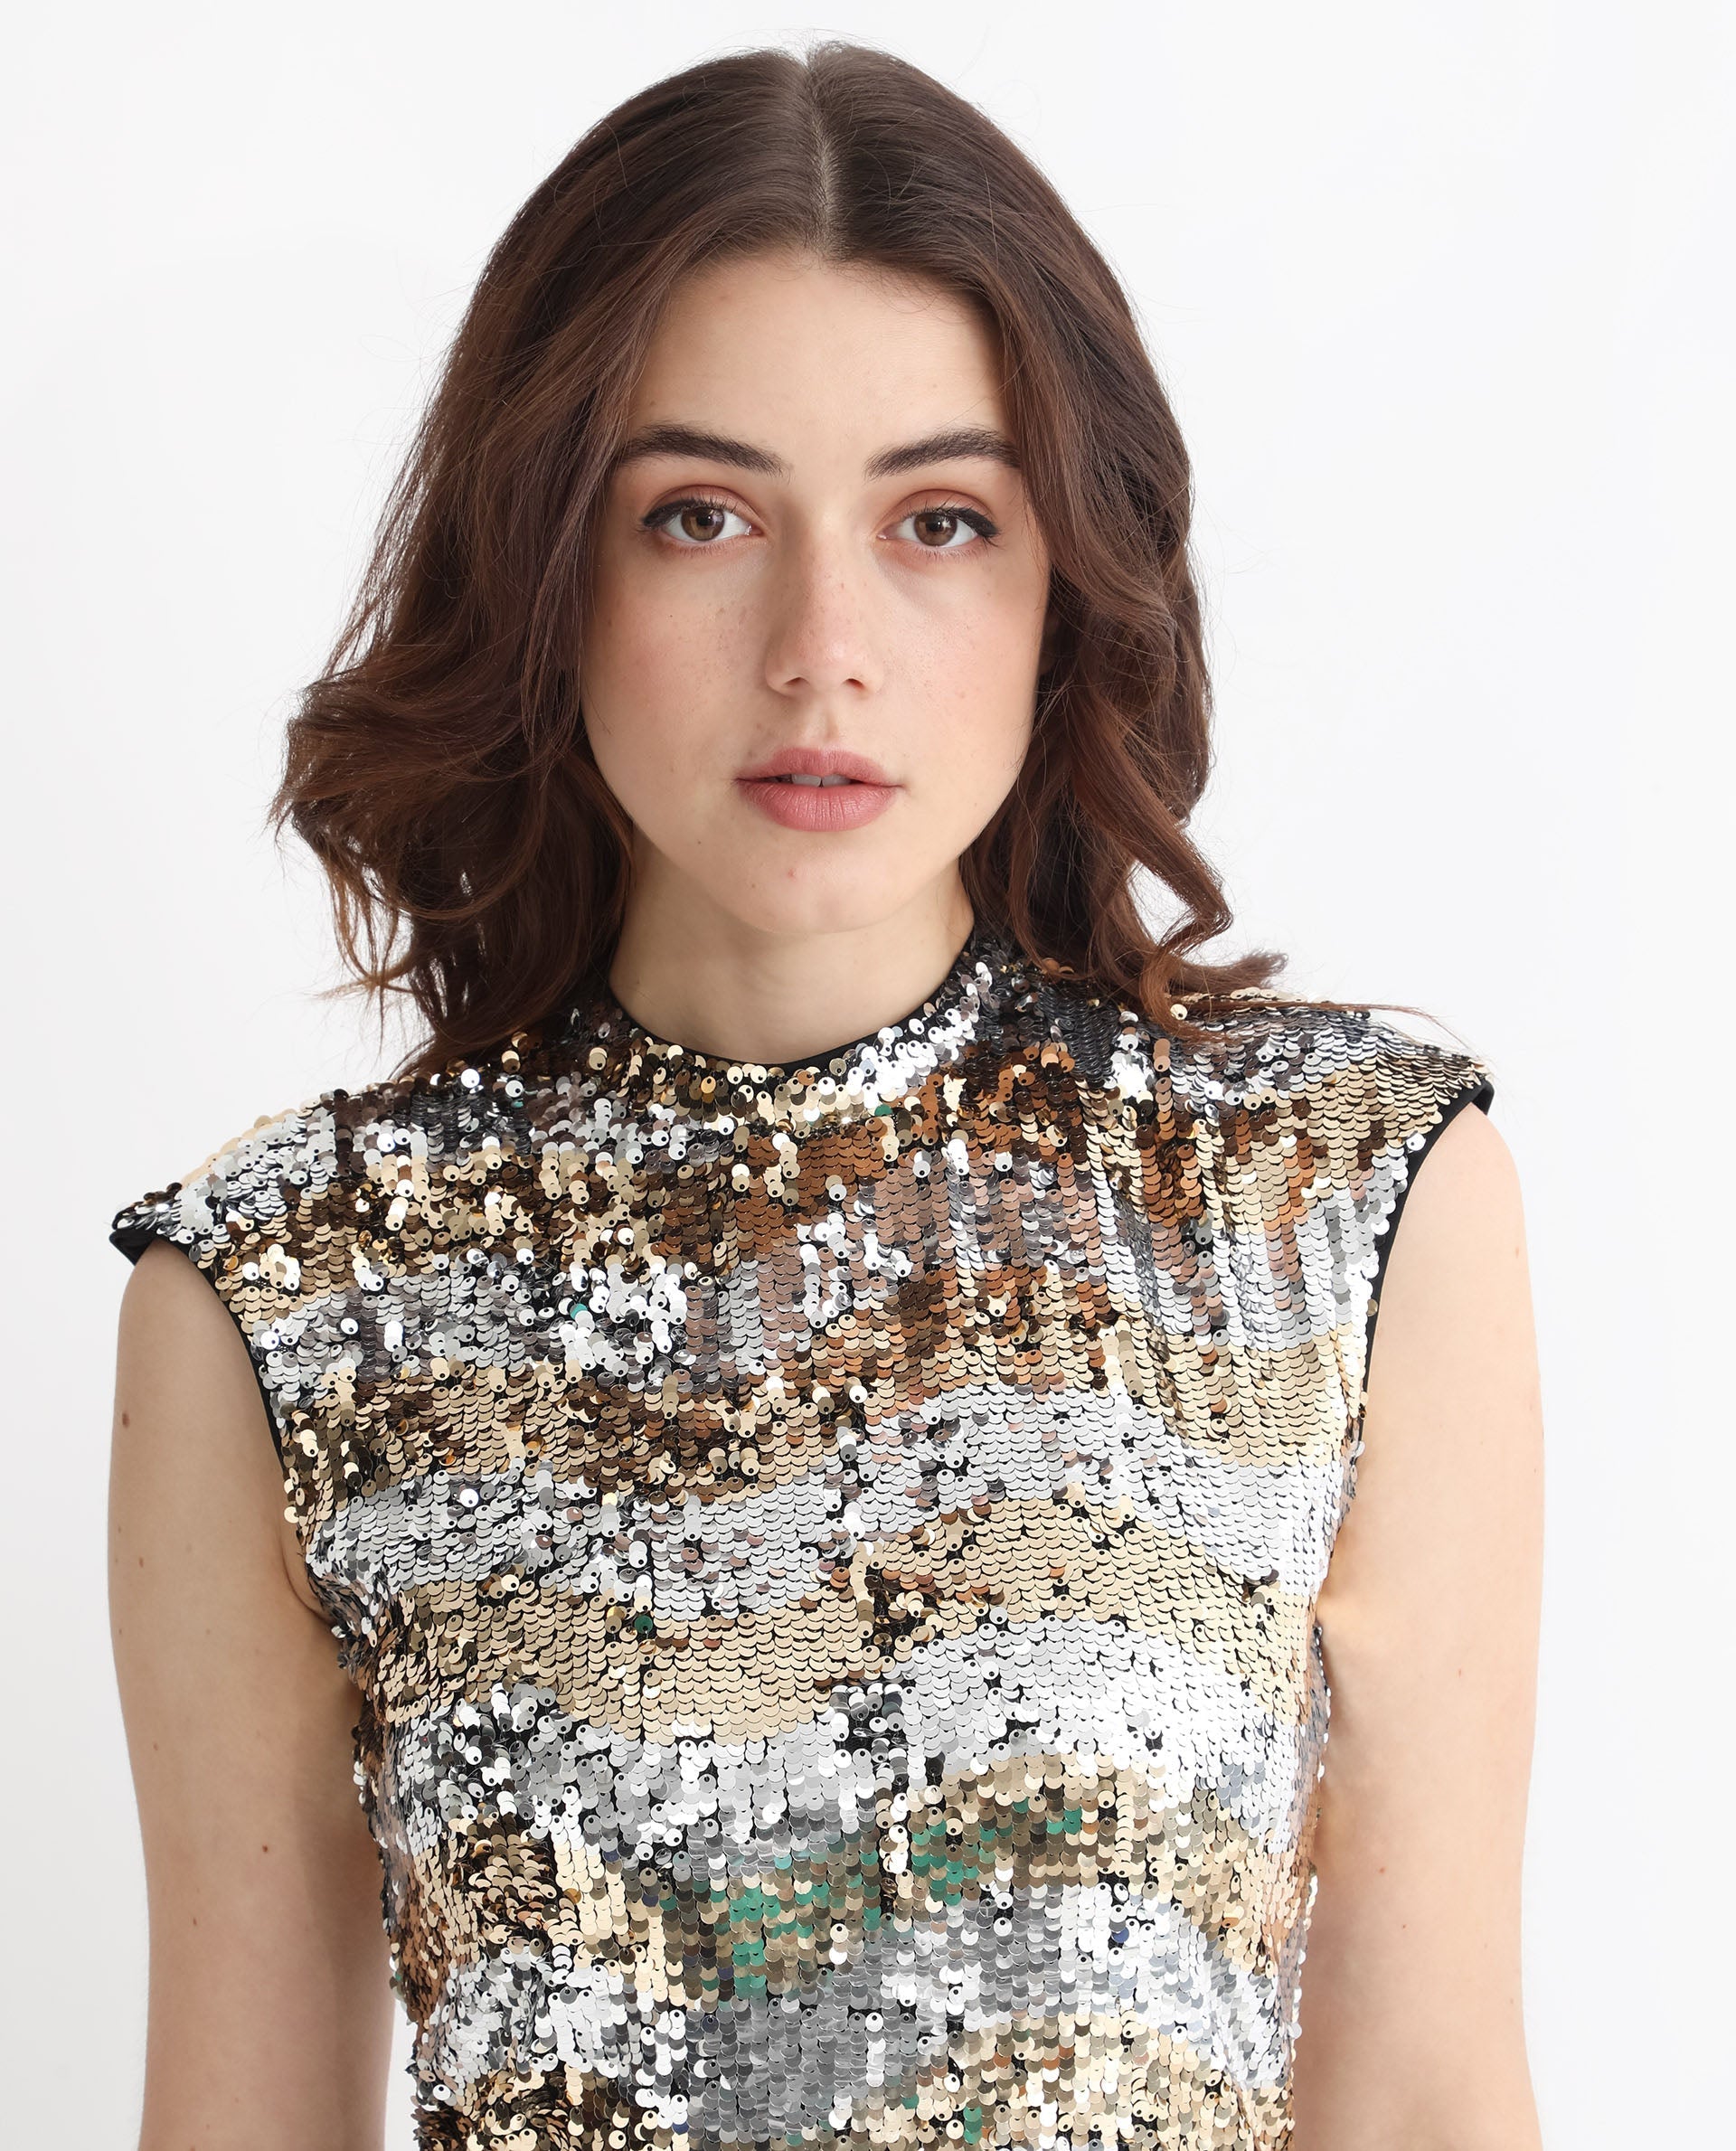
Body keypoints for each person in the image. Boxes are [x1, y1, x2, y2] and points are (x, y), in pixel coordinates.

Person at [106, 39, 1544, 2151]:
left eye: (939, 520)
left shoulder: (1338, 1198)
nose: (821, 646)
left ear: (1065, 582)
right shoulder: (287, 1298)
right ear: (550, 569)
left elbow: (1426, 2092)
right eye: (700, 516)